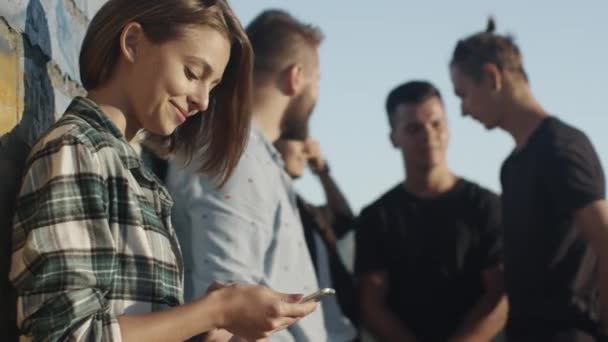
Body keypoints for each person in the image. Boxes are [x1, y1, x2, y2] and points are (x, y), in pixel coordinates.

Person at [9, 1, 318, 341]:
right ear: (133, 43)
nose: (202, 100)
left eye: (212, 88)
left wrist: (204, 329)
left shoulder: (133, 175)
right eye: (193, 73)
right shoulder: (78, 151)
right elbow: (68, 334)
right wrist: (217, 309)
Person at [166, 9, 330, 341]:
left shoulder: (253, 155)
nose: (317, 94)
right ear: (295, 77)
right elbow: (227, 310)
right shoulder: (235, 154)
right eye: (318, 80)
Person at [450, 18, 608, 341]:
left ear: (492, 77)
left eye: (463, 94)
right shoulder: (513, 166)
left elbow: (605, 240)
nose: (463, 111)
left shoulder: (561, 147)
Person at [355, 80, 508, 341]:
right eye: (414, 128)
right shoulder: (376, 217)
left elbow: (500, 296)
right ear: (394, 138)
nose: (428, 135)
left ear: (448, 128)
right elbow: (371, 304)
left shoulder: (486, 206)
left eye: (436, 124)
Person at [275, 138, 359, 340]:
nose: (306, 149)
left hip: (341, 333)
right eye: (296, 138)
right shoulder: (267, 205)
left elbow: (344, 221)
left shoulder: (303, 208)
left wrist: (321, 170)